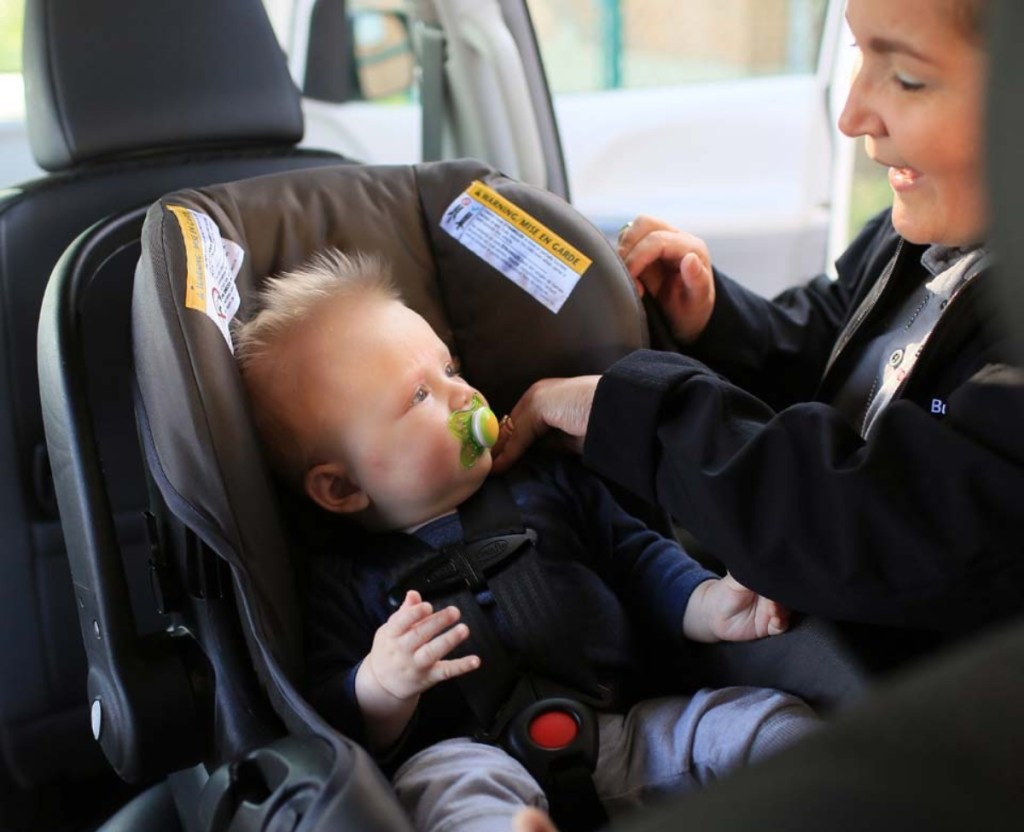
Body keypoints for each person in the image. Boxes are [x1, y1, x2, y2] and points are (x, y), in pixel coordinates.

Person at [493, 0, 1023, 648]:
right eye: (859, 57)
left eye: (907, 79)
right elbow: (838, 346)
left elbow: (876, 518)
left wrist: (634, 413)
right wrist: (718, 323)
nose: (851, 115)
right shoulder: (932, 232)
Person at [233, 249, 817, 832]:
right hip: (467, 756)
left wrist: (709, 603)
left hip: (622, 728)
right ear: (341, 486)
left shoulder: (551, 484)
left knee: (766, 726)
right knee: (446, 798)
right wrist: (380, 685)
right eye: (419, 396)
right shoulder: (342, 578)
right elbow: (330, 722)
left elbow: (638, 561)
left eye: (452, 370)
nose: (463, 395)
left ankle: (828, 797)